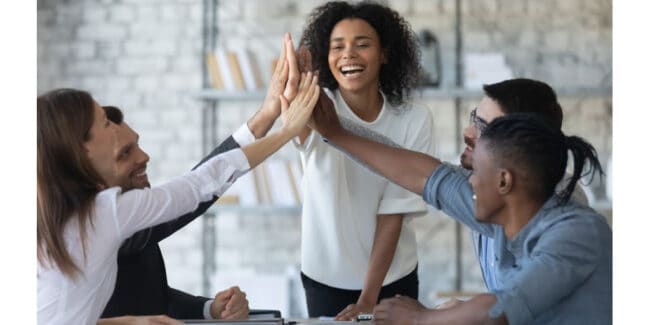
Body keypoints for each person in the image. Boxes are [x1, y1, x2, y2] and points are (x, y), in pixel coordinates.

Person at [37, 69, 319, 324]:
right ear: (81, 150)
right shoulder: (108, 213)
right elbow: (201, 183)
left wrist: (131, 322)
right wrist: (286, 131)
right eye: (105, 124)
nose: (143, 157)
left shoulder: (51, 214)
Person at [310, 99, 611, 323]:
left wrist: (421, 319)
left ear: (504, 180)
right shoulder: (506, 216)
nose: (471, 181)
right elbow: (424, 174)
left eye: (477, 172)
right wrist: (335, 131)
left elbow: (501, 308)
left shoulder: (578, 231)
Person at [100, 33, 301, 321]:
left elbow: (149, 294)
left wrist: (209, 309)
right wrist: (280, 127)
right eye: (125, 153)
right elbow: (199, 186)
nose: (144, 157)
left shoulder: (125, 207)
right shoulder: (103, 221)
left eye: (138, 145)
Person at [295, 1, 435, 319]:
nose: (349, 54)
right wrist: (296, 84)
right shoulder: (316, 107)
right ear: (324, 57)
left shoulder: (413, 118)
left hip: (393, 277)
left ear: (385, 54)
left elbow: (393, 212)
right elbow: (294, 125)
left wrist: (368, 300)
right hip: (324, 276)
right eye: (337, 46)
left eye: (362, 44)